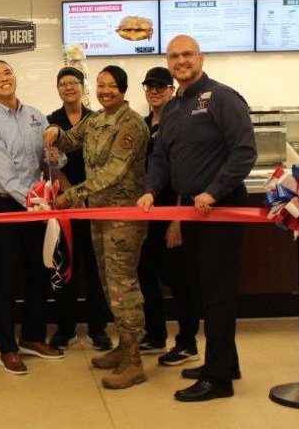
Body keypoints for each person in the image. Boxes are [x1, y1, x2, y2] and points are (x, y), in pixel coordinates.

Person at [136, 35, 257, 402]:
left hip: (218, 208)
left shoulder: (222, 97)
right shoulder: (173, 107)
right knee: (202, 290)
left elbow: (244, 151)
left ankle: (218, 380)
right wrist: (150, 190)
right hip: (189, 210)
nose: (181, 61)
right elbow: (161, 159)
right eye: (174, 56)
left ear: (201, 57)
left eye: (187, 54)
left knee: (217, 295)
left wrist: (214, 191)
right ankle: (225, 363)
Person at [45, 66, 151, 390]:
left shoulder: (130, 123)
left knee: (123, 286)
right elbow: (71, 139)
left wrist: (71, 196)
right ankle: (123, 348)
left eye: (111, 86)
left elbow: (113, 174)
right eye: (101, 85)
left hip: (123, 218)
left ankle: (134, 361)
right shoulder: (96, 120)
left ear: (122, 88)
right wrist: (53, 132)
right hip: (100, 215)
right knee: (108, 284)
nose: (105, 91)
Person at [0, 59, 64, 375]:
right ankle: (7, 348)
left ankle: (32, 336)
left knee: (38, 271)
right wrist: (38, 202)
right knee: (4, 278)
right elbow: (6, 177)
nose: (4, 79)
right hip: (5, 206)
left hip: (36, 205)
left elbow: (51, 158)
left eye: (8, 72)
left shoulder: (35, 115)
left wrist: (55, 153)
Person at [45, 67, 113, 352]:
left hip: (96, 201)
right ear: (58, 89)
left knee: (96, 267)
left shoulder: (98, 119)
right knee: (66, 264)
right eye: (63, 83)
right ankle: (66, 328)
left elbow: (105, 163)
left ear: (83, 87)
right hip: (64, 203)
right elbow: (49, 162)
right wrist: (72, 194)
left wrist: (88, 193)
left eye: (73, 82)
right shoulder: (51, 122)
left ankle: (98, 329)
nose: (68, 87)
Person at [136, 67, 200, 366]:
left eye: (160, 86)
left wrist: (177, 221)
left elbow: (183, 174)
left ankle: (187, 342)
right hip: (147, 213)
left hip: (175, 212)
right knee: (146, 274)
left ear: (171, 89)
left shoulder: (180, 120)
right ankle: (155, 334)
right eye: (149, 86)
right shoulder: (144, 124)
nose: (154, 91)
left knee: (179, 280)